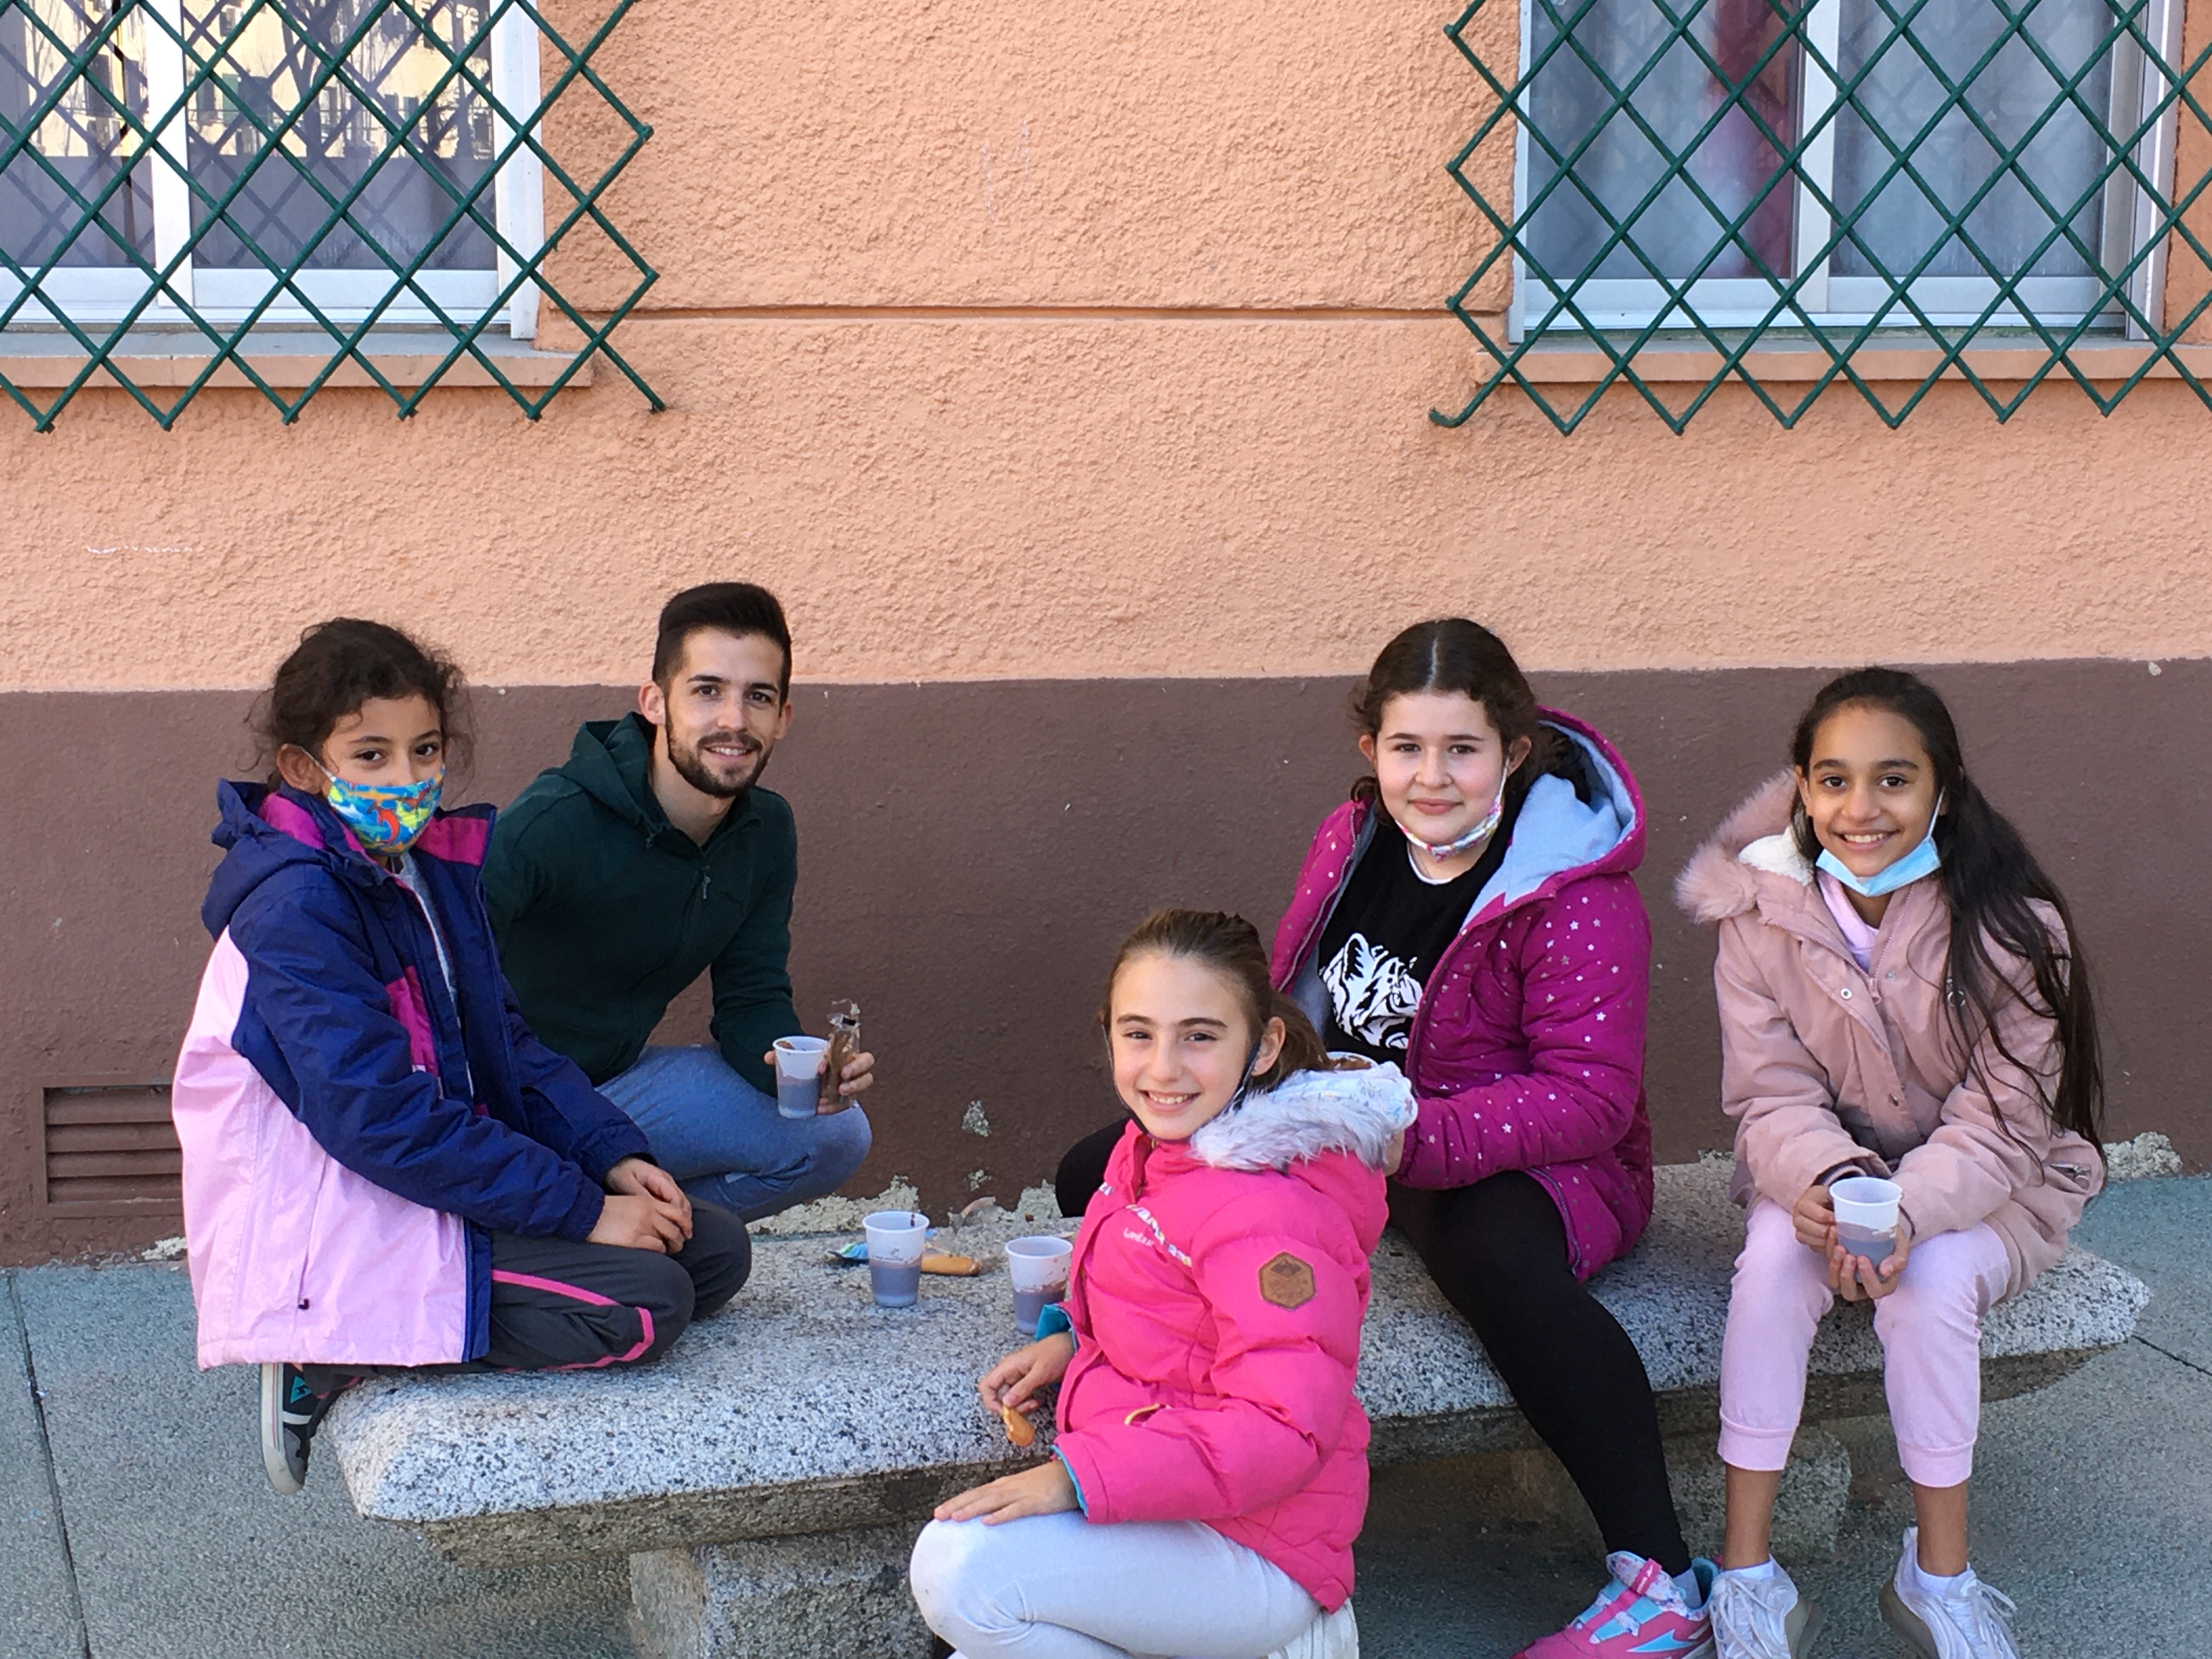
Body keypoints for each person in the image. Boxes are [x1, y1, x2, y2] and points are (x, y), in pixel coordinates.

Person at [172, 619, 750, 1497]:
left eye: (425, 749)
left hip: (430, 1176)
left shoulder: (424, 865)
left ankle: (437, 1304)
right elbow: (378, 1120)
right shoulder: (294, 905)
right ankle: (325, 1353)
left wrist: (610, 1156)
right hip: (342, 1218)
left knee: (715, 1252)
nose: (406, 778)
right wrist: (579, 1211)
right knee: (649, 1304)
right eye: (370, 756)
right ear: (303, 768)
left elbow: (505, 1041)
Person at [1269, 616, 1713, 1658]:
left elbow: (1592, 1098)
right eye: (1406, 747)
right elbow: (1299, 1000)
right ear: (1371, 748)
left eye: (1461, 749)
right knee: (1107, 1163)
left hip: (1540, 1163)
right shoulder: (1351, 839)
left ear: (1512, 753)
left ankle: (1662, 1583)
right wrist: (1260, 1083)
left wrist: (1410, 1136)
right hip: (1358, 1132)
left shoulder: (1573, 891)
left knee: (1489, 1251)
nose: (1431, 777)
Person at [1677, 668, 2104, 1659]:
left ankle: (1939, 1580)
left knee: (1934, 1278)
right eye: (1833, 780)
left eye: (1894, 780)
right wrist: (1829, 1186)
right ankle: (1747, 1575)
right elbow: (1771, 1096)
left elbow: (2004, 1124)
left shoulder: (2013, 925)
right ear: (1801, 786)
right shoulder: (1758, 915)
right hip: (1822, 1178)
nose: (1860, 808)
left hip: (1996, 1186)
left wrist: (1904, 1210)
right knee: (1770, 1263)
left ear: (1943, 788)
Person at [910, 909, 1413, 1659]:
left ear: (1264, 1046)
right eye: (1139, 1033)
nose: (1164, 1068)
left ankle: (1295, 1643)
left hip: (1257, 1549)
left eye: (1199, 1036)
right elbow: (1165, 1303)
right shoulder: (1154, 1149)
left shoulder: (1273, 1213)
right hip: (1169, 1507)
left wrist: (1077, 1479)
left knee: (958, 1567)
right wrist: (1072, 1342)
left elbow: (1285, 1428)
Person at [483, 583, 874, 1223]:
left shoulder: (765, 832)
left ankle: (653, 1235)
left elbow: (752, 999)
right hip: (508, 1104)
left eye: (758, 697)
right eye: (707, 691)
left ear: (783, 718)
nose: (734, 721)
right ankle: (575, 1229)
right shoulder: (554, 822)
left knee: (836, 1133)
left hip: (619, 1089)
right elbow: (442, 971)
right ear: (655, 703)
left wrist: (798, 1071)